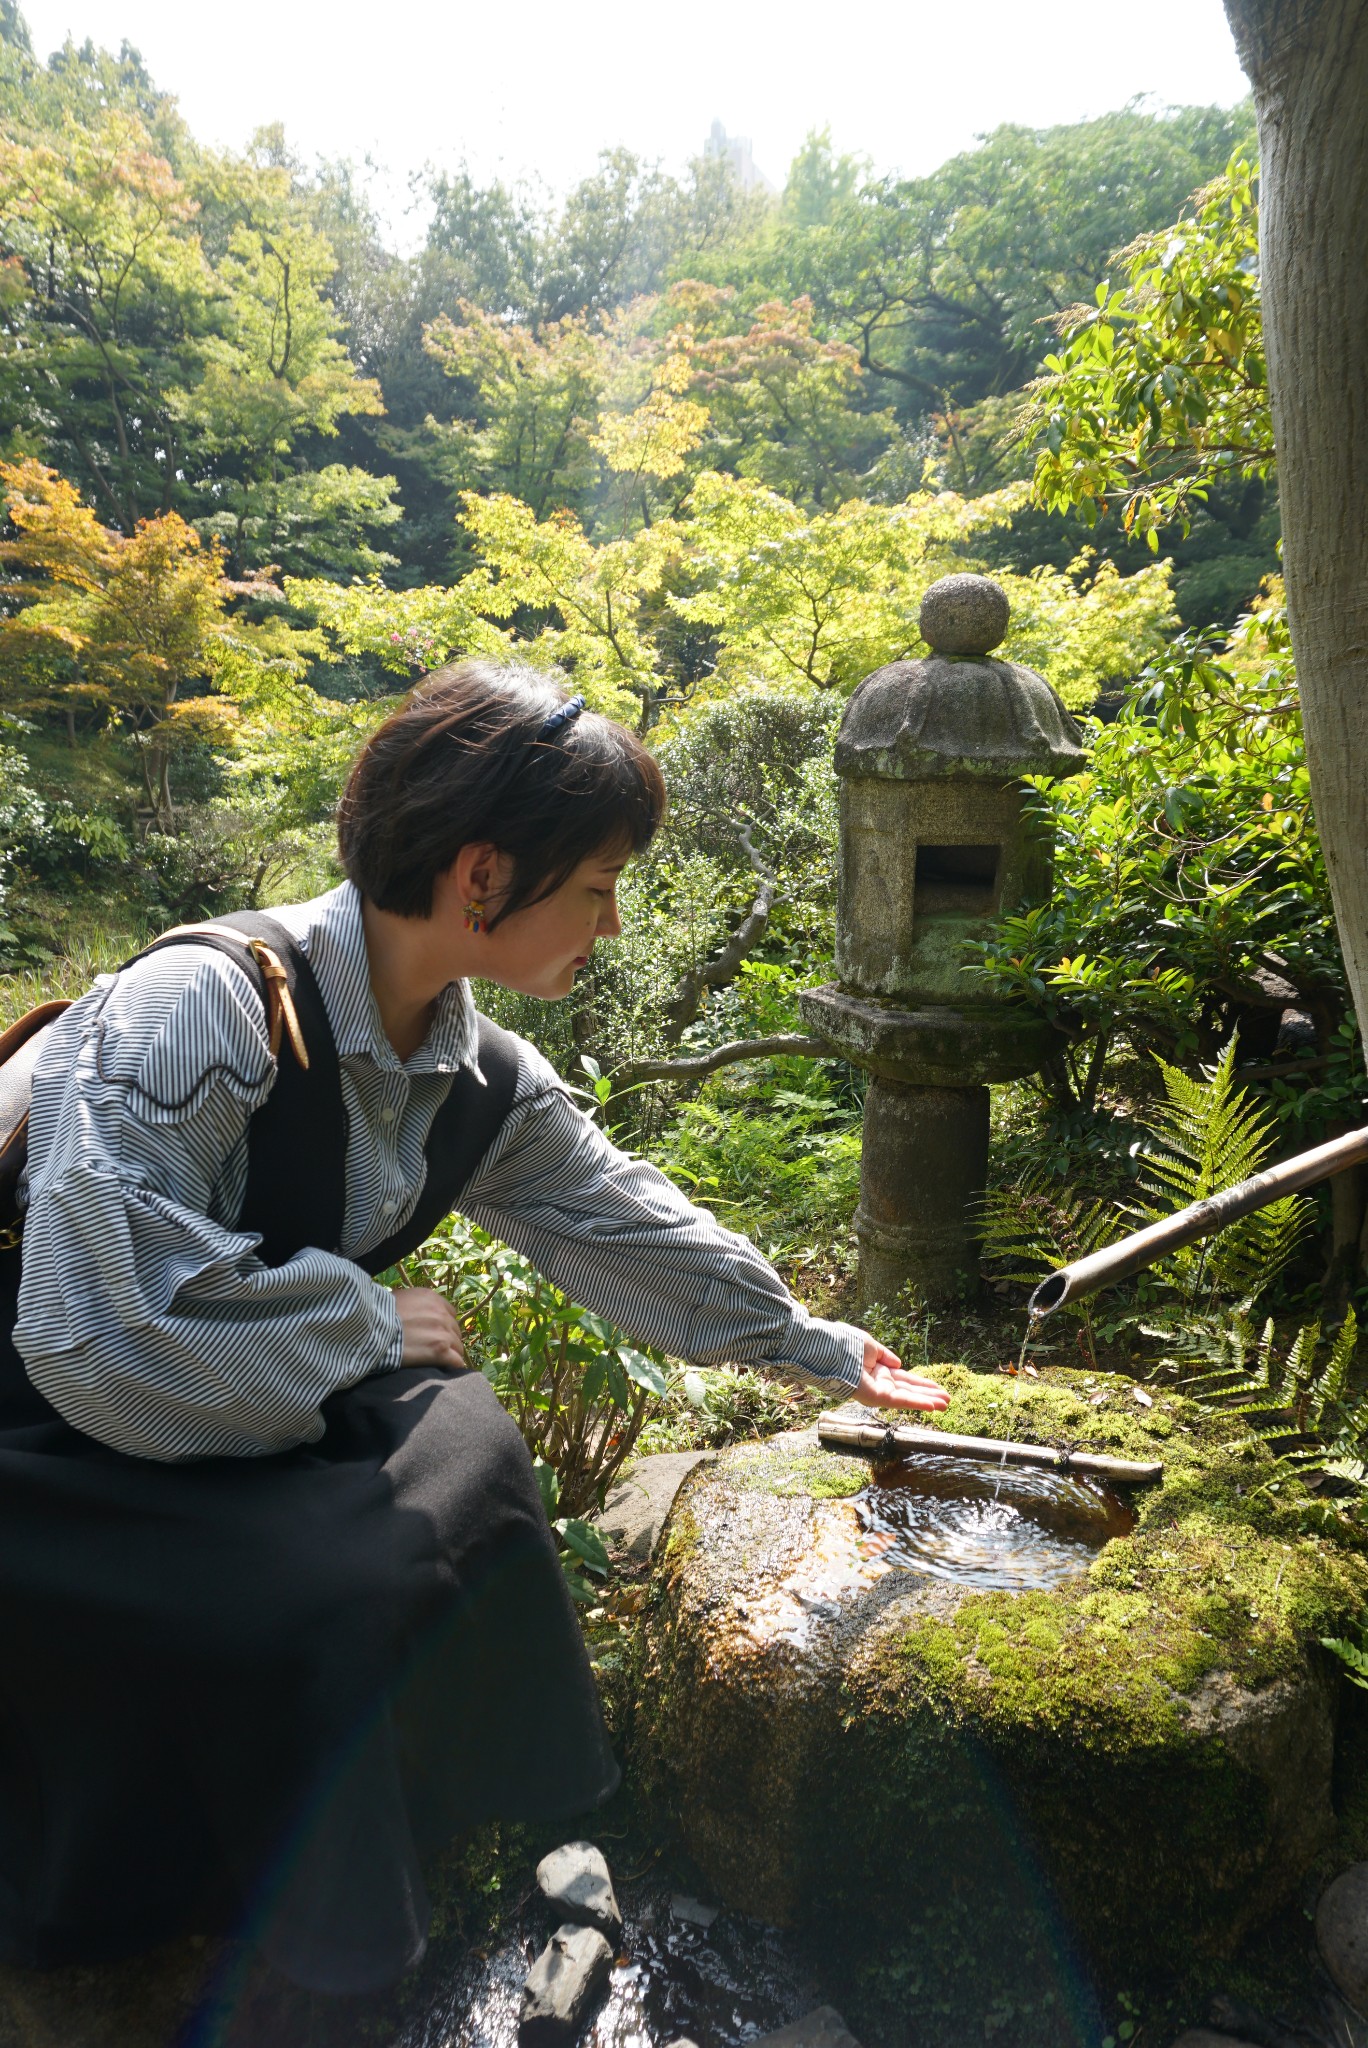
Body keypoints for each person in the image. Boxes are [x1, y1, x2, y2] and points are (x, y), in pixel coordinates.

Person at [0, 660, 948, 1993]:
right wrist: (362, 1319)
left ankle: (508, 1816)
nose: (612, 926)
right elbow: (93, 1328)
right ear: (484, 875)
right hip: (58, 1428)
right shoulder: (205, 1009)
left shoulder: (471, 1067)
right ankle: (316, 1947)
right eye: (601, 887)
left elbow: (616, 1216)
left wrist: (812, 1342)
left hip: (231, 1394)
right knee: (320, 1592)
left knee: (472, 1443)